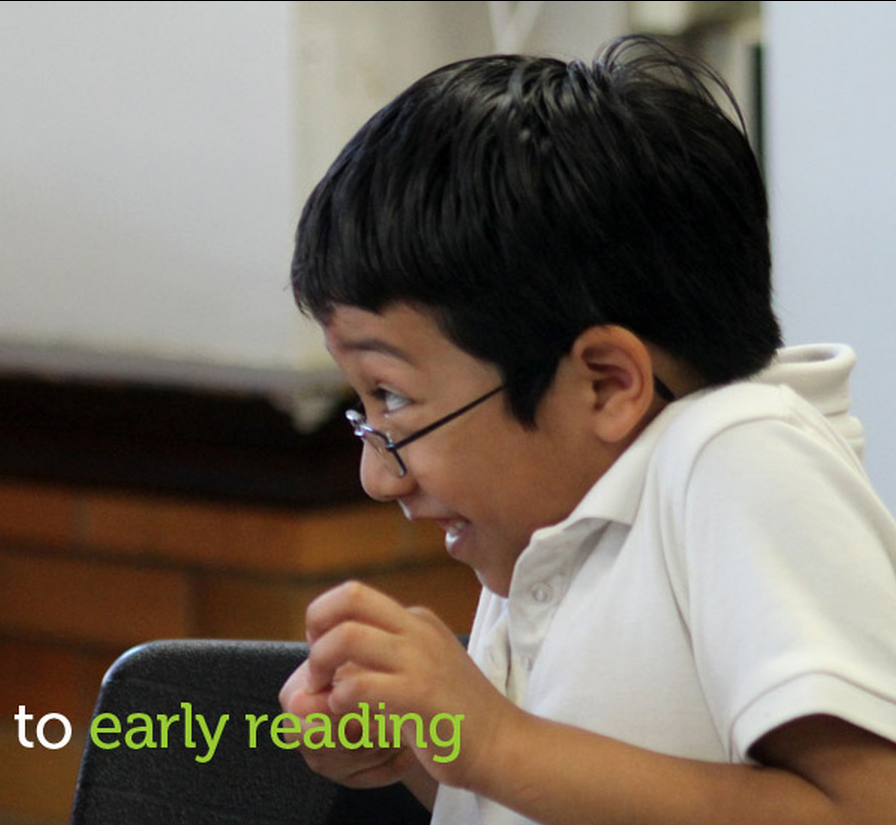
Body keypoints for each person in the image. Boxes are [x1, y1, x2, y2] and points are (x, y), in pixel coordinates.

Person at [278, 36, 896, 824]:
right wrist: (429, 755)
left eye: (394, 400)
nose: (378, 474)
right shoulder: (555, 519)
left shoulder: (738, 455)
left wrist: (498, 743)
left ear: (604, 383)